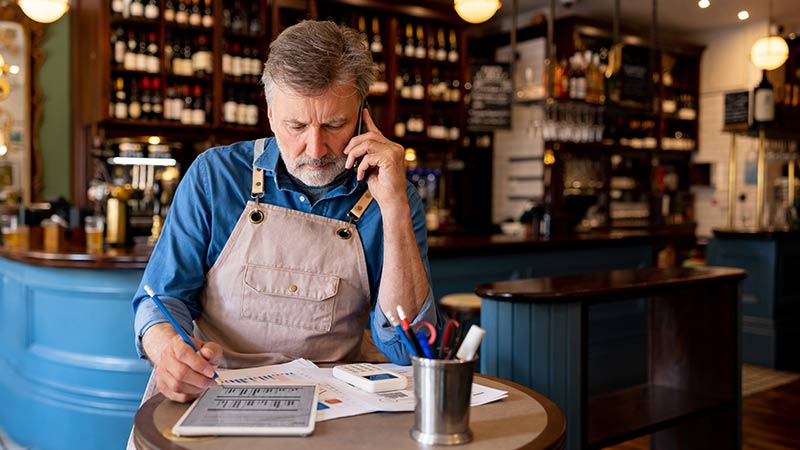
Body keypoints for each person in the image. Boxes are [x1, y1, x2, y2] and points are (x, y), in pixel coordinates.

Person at [131, 20, 439, 403]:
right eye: (296, 126)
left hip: (334, 404)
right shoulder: (216, 176)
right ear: (271, 114)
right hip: (215, 391)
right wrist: (166, 350)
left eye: (334, 124)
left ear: (362, 114)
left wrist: (393, 209)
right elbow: (160, 298)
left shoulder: (391, 193)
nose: (315, 148)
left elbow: (408, 349)